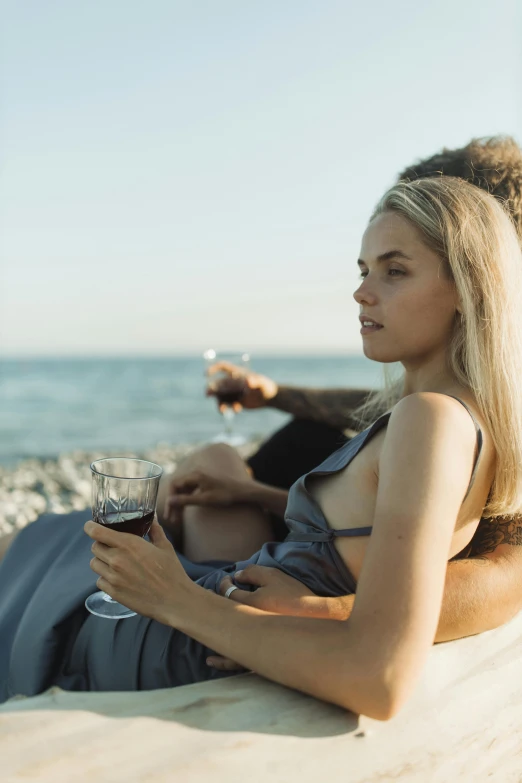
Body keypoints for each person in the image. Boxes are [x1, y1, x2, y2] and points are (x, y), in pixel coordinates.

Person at [2, 176, 522, 721]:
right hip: (226, 616)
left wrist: (176, 599)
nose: (363, 292)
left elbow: (380, 676)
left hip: (199, 646)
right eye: (364, 271)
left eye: (395, 271)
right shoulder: (464, 418)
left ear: (468, 287)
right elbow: (364, 540)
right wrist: (245, 501)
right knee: (56, 543)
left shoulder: (430, 420)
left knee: (48, 556)